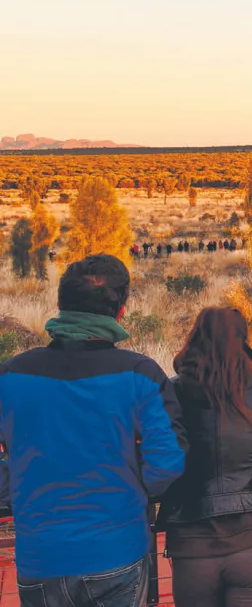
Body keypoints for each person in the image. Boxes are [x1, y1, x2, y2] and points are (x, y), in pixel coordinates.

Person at [0, 254, 187, 607]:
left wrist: (16, 490)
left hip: (40, 556)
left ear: (61, 306)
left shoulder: (10, 376)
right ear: (120, 313)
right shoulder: (140, 374)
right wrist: (131, 491)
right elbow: (169, 460)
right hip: (115, 551)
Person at [157, 308, 252, 607]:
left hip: (193, 541)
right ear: (243, 339)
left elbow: (164, 454)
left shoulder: (172, 389)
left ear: (195, 337)